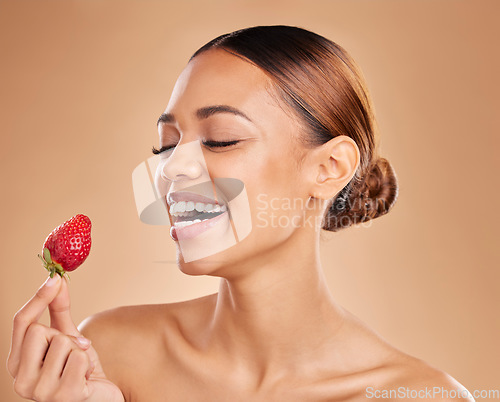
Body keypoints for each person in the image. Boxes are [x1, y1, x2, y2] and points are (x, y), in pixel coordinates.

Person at [8, 25, 473, 401]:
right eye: (167, 145)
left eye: (220, 139)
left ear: (329, 168)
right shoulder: (110, 353)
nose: (172, 170)